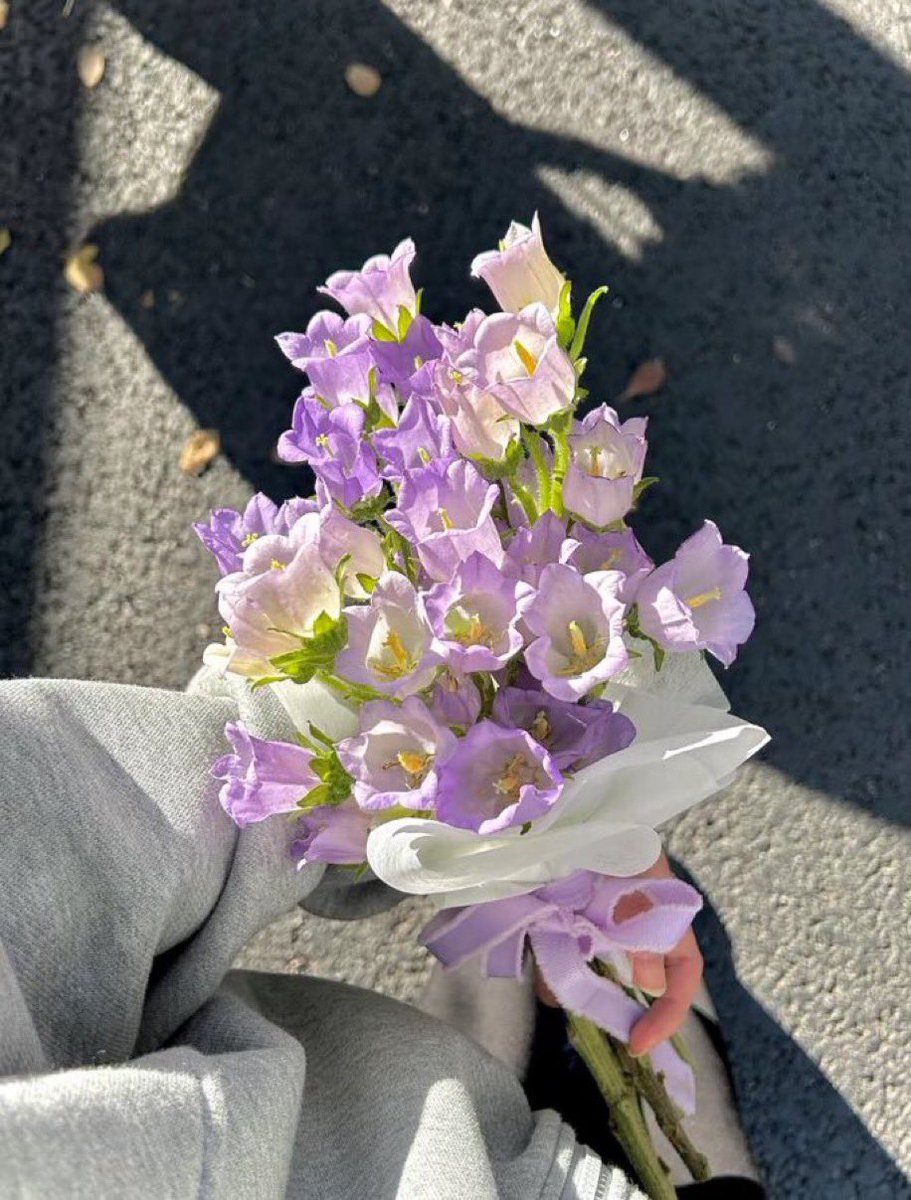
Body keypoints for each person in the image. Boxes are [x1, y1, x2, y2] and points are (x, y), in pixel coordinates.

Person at [0, 671, 763, 1198]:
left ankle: (487, 1034)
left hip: (373, 1121)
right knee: (689, 1128)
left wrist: (540, 822)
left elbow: (83, 817)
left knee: (468, 1045)